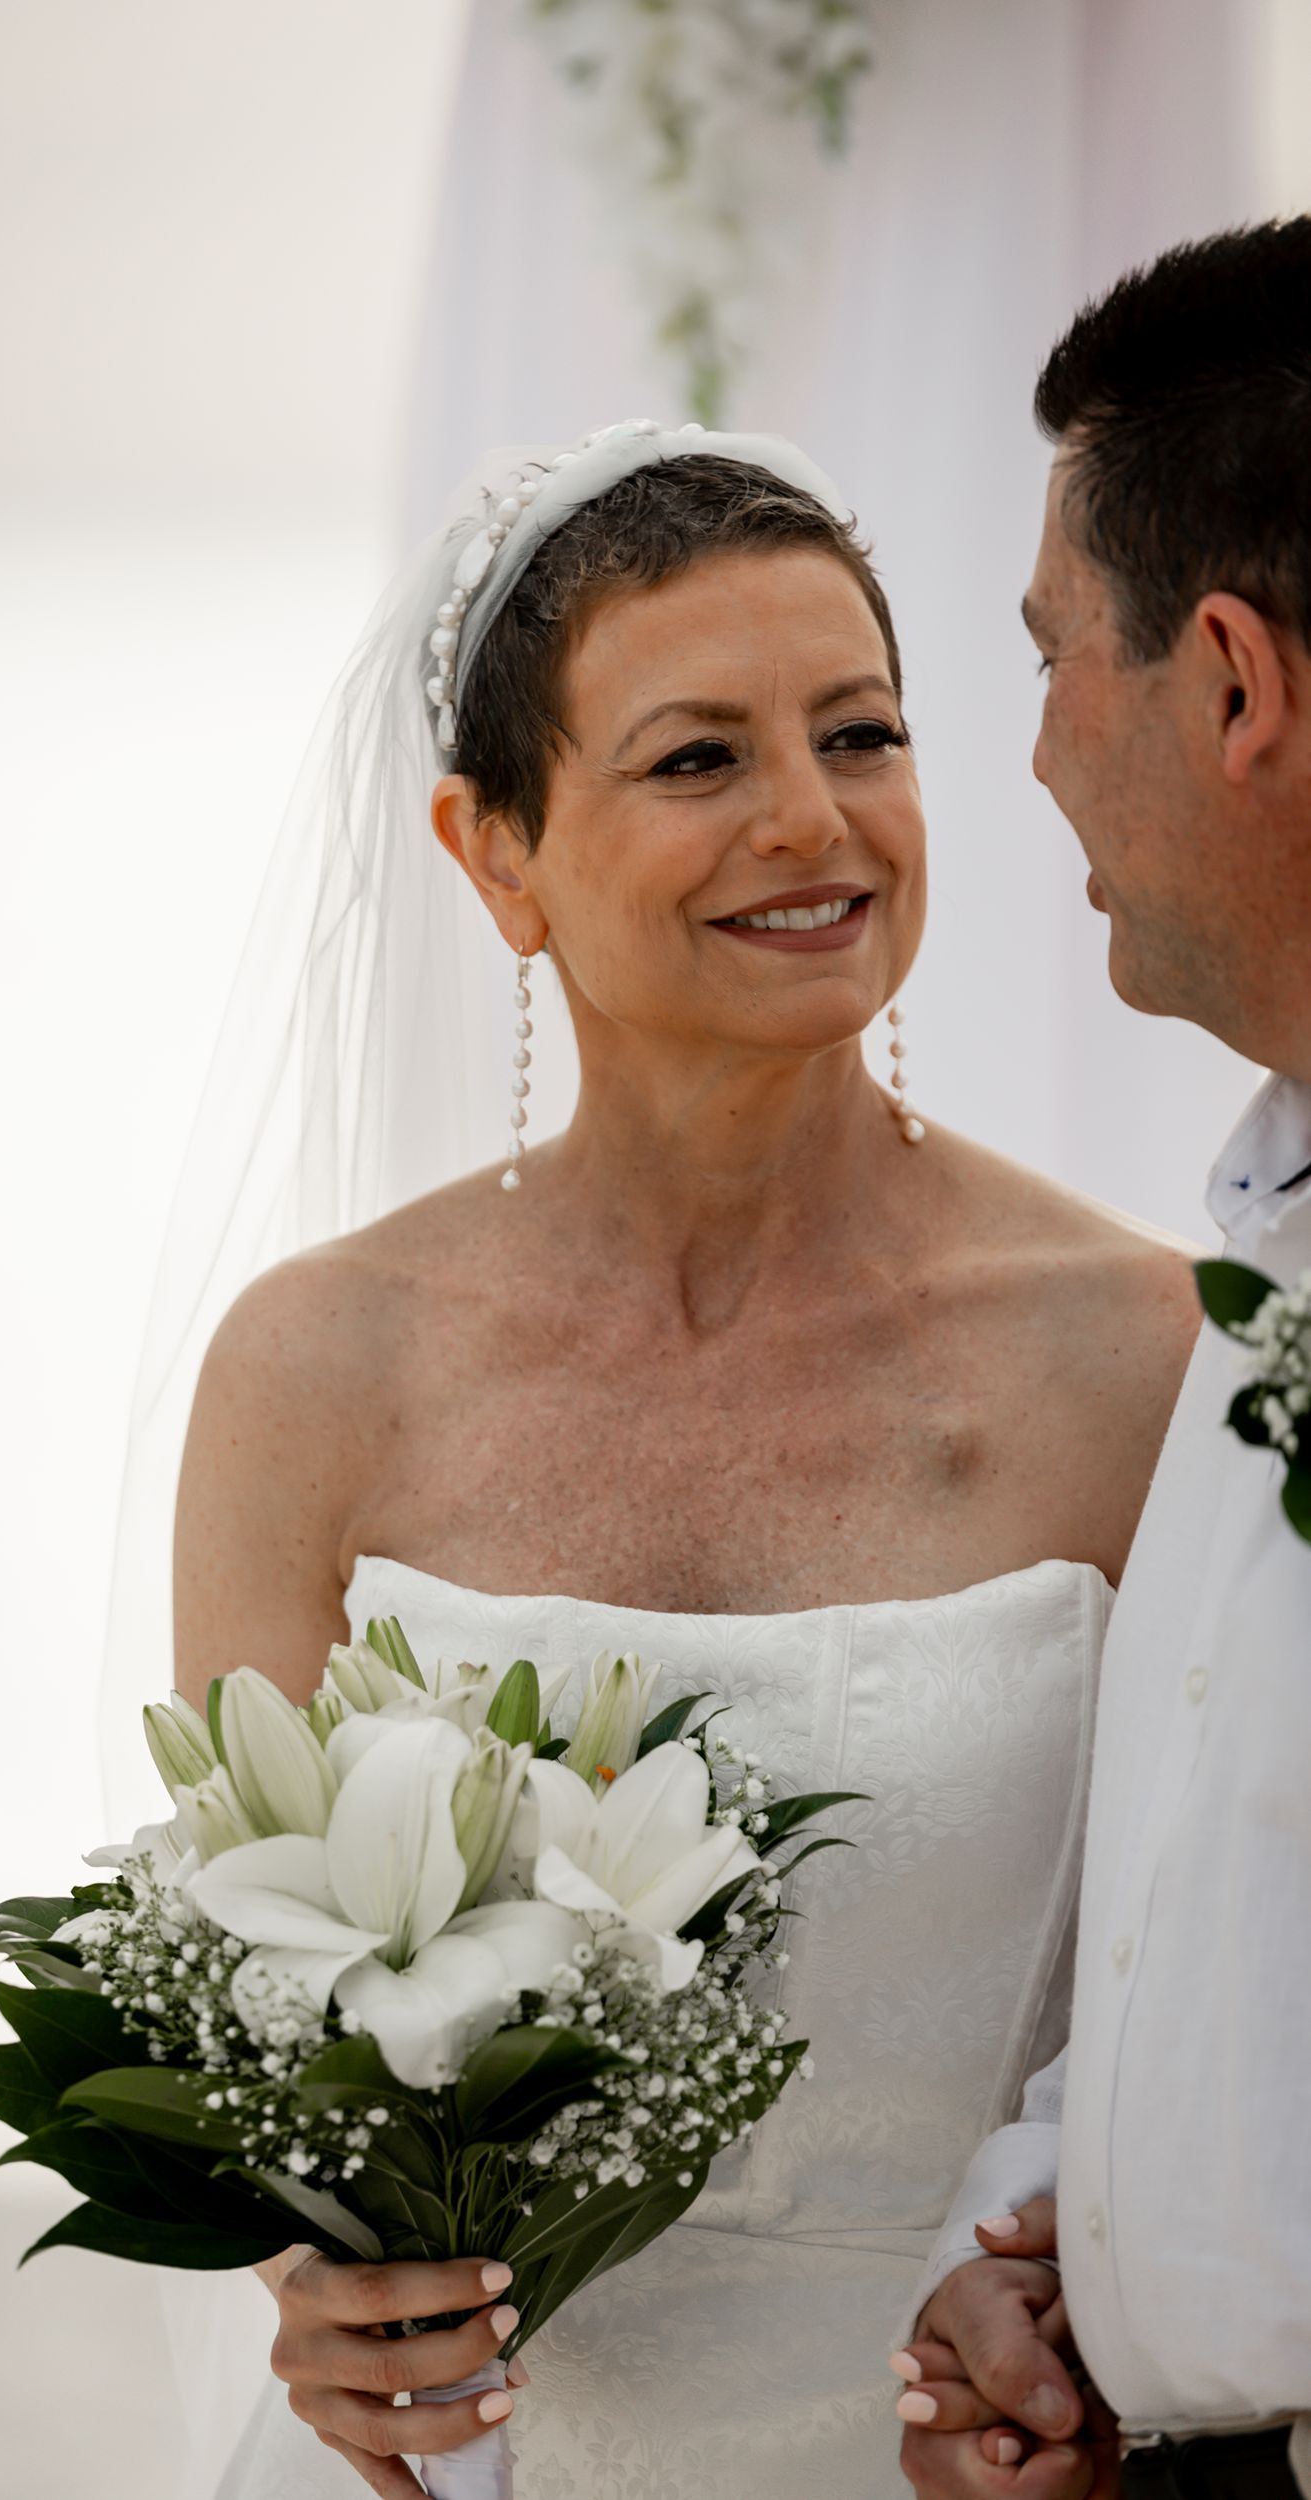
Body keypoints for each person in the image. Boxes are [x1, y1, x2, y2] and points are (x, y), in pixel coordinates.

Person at [166, 423, 1197, 2499]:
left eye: (865, 731)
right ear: (497, 850)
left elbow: (1216, 2007)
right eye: (698, 758)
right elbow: (255, 2005)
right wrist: (318, 2271)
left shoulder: (1141, 1352)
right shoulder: (318, 1368)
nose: (816, 819)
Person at [894, 222, 1311, 2500]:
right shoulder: (1260, 1229)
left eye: (1056, 655)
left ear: (1229, 677)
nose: (1030, 746)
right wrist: (1057, 2247)